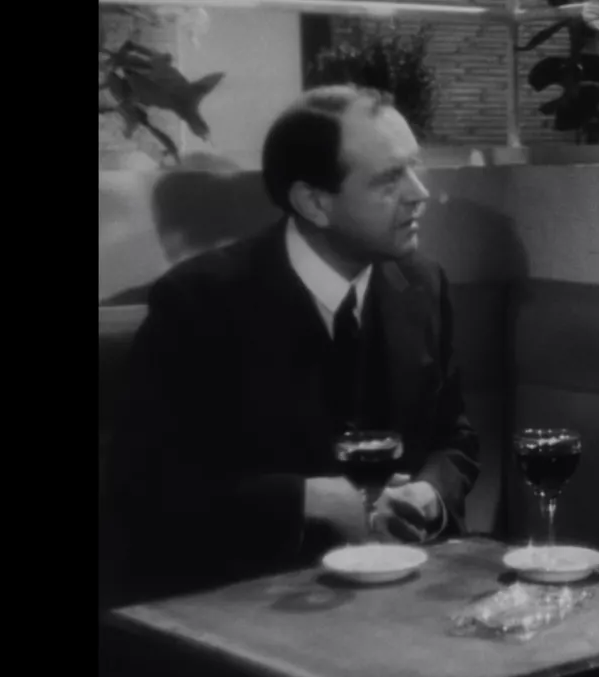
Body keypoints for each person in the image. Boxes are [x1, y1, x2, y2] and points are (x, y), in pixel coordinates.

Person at [103, 85, 479, 606]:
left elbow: (454, 439)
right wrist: (310, 499)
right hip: (244, 604)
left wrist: (431, 493)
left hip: (400, 596)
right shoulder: (200, 302)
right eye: (389, 178)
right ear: (314, 202)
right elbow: (147, 484)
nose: (420, 193)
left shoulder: (422, 285)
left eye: (414, 167)